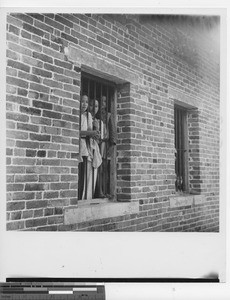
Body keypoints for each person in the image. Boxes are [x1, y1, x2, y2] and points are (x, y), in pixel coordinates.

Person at [78, 95, 102, 200]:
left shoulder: (88, 116)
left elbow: (91, 132)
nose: (84, 104)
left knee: (86, 175)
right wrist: (89, 133)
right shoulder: (77, 115)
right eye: (82, 101)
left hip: (86, 146)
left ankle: (86, 196)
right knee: (79, 174)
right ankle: (79, 197)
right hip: (79, 144)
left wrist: (95, 131)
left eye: (86, 102)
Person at [98, 95, 117, 198]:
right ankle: (99, 191)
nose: (103, 103)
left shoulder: (109, 115)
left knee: (104, 168)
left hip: (105, 144)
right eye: (101, 101)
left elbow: (113, 131)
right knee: (98, 168)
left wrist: (112, 145)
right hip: (97, 143)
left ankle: (105, 191)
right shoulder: (96, 114)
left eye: (105, 101)